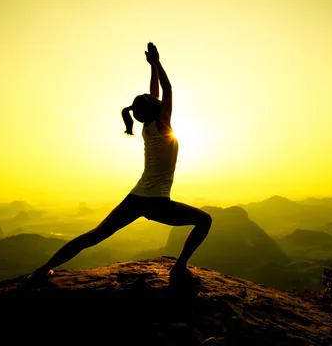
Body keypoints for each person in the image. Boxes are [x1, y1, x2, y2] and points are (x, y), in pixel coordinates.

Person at [27, 42, 212, 286]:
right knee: (205, 220)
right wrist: (157, 62)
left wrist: (152, 68)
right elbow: (167, 89)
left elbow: (155, 92)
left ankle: (43, 270)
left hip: (135, 198)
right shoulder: (163, 124)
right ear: (155, 109)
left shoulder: (147, 126)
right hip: (157, 202)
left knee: (94, 235)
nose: (154, 98)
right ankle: (179, 269)